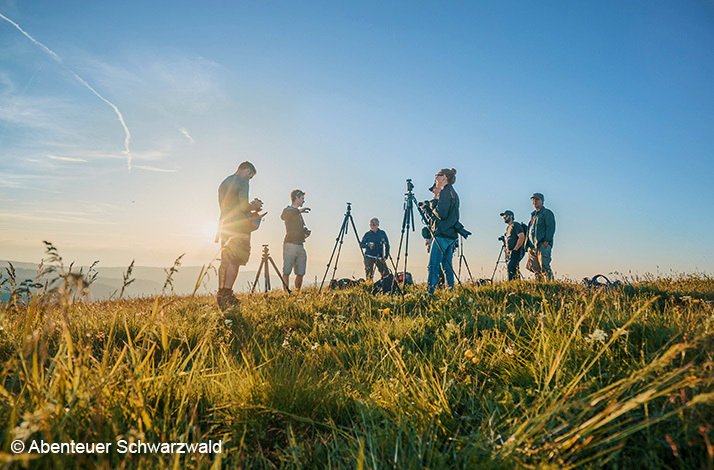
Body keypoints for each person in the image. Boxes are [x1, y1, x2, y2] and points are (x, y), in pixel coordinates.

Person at [216, 161, 263, 310]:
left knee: (225, 260)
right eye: (250, 176)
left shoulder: (225, 182)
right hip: (239, 227)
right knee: (235, 260)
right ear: (247, 170)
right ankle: (228, 293)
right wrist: (254, 205)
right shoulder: (243, 182)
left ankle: (221, 292)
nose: (250, 179)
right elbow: (243, 207)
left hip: (225, 225)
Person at [426, 168, 460, 294]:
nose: (435, 178)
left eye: (437, 175)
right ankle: (450, 291)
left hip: (442, 234)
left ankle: (429, 293)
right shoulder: (453, 193)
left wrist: (433, 204)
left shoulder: (445, 192)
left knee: (433, 266)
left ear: (444, 177)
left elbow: (441, 213)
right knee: (447, 266)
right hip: (451, 235)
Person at [281, 189, 311, 291]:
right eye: (302, 198)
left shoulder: (298, 214)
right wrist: (299, 210)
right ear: (297, 197)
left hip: (300, 244)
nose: (303, 201)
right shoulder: (288, 210)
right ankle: (286, 293)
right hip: (290, 244)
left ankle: (297, 291)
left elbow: (298, 229)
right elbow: (283, 216)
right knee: (287, 270)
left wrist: (305, 234)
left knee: (300, 272)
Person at [526, 192, 556, 281]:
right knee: (535, 269)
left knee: (545, 267)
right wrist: (527, 245)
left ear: (542, 201)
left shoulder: (547, 213)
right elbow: (529, 230)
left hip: (542, 244)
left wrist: (546, 240)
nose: (535, 202)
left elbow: (551, 227)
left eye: (537, 200)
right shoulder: (533, 215)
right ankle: (539, 286)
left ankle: (550, 286)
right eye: (533, 200)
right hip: (532, 246)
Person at [500, 210, 525, 280]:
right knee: (512, 268)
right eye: (503, 216)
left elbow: (521, 236)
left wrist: (515, 249)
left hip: (516, 251)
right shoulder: (508, 228)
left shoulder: (515, 225)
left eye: (505, 216)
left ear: (511, 216)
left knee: (511, 267)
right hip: (511, 252)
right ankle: (516, 284)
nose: (504, 217)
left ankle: (512, 284)